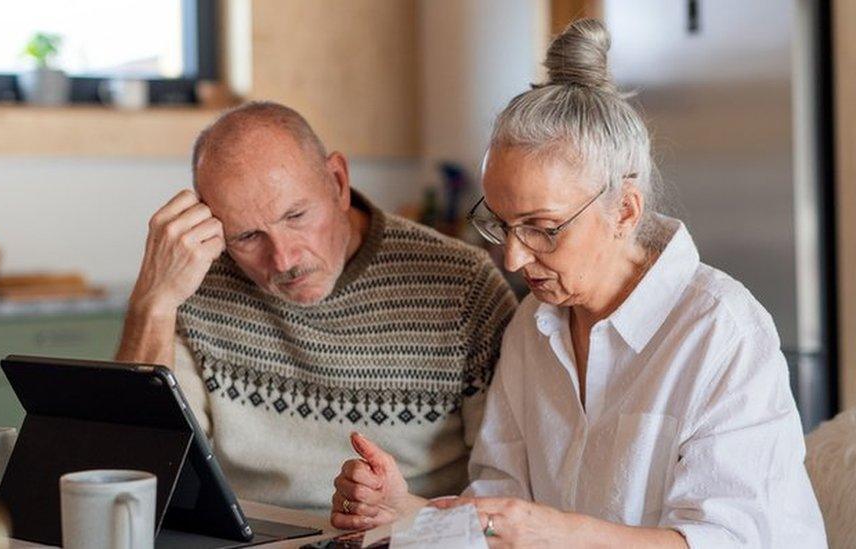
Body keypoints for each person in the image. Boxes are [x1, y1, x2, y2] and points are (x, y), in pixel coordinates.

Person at [329, 19, 827, 547]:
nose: (515, 258)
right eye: (500, 223)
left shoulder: (722, 331)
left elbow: (729, 540)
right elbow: (502, 511)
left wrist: (556, 531)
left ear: (625, 211)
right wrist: (406, 512)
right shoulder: (532, 326)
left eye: (542, 229)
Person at [115, 101, 517, 511]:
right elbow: (136, 473)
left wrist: (408, 514)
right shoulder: (196, 282)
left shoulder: (463, 284)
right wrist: (153, 301)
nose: (284, 260)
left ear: (338, 182)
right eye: (248, 236)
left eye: (296, 216)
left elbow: (508, 493)